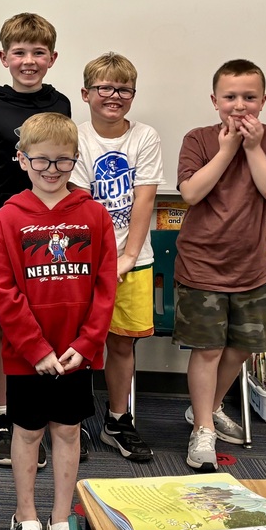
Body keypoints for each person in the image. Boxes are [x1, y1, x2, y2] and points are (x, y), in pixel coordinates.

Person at [0, 112, 117, 530]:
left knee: (68, 430)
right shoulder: (7, 218)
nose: (51, 170)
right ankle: (26, 515)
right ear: (22, 160)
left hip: (76, 353)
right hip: (28, 356)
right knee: (27, 433)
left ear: (75, 161)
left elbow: (105, 286)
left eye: (63, 162)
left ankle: (61, 518)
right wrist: (36, 349)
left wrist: (86, 344)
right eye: (41, 161)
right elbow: (2, 290)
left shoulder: (94, 215)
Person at [175, 59, 266, 471]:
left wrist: (253, 148)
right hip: (201, 264)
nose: (239, 106)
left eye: (249, 97)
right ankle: (203, 428)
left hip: (251, 268)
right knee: (207, 350)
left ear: (263, 100)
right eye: (230, 97)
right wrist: (227, 150)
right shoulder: (198, 139)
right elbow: (191, 193)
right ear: (214, 100)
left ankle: (202, 408)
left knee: (243, 347)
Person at [0, 13, 73, 470]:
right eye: (19, 52)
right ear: (3, 58)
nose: (28, 61)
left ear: (52, 58)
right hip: (4, 232)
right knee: (5, 327)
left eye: (38, 53)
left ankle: (54, 416)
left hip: (52, 233)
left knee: (53, 326)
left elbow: (64, 169)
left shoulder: (62, 104)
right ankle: (2, 414)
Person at [70, 53, 163, 462]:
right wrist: (97, 262)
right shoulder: (75, 136)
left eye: (123, 89)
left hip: (134, 259)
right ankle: (70, 421)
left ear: (133, 95)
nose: (114, 96)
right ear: (86, 93)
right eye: (104, 88)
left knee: (121, 345)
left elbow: (144, 200)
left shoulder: (145, 137)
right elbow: (76, 204)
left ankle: (117, 420)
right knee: (74, 342)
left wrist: (126, 256)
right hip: (85, 261)